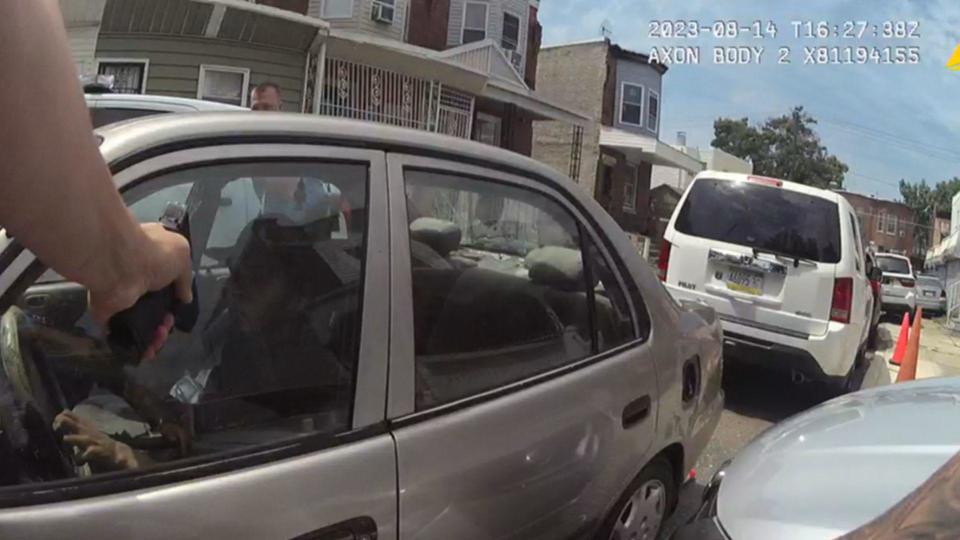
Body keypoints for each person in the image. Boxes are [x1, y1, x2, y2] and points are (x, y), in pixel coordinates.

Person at [1, 1, 192, 468]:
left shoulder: (276, 360)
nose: (244, 275)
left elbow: (205, 441)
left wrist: (127, 458)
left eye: (256, 270)